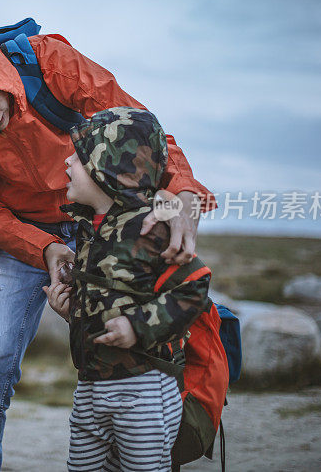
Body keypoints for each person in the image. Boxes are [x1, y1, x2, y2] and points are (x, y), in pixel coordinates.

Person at [0, 11, 215, 471]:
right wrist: (42, 248)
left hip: (103, 223)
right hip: (18, 236)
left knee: (156, 346)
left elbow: (141, 129)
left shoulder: (50, 63)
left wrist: (183, 194)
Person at [44, 107, 212, 471]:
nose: (69, 161)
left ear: (111, 166)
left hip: (144, 389)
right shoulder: (90, 230)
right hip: (90, 384)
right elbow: (109, 298)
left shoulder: (152, 224)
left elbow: (194, 287)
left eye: (80, 154)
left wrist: (138, 326)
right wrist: (71, 311)